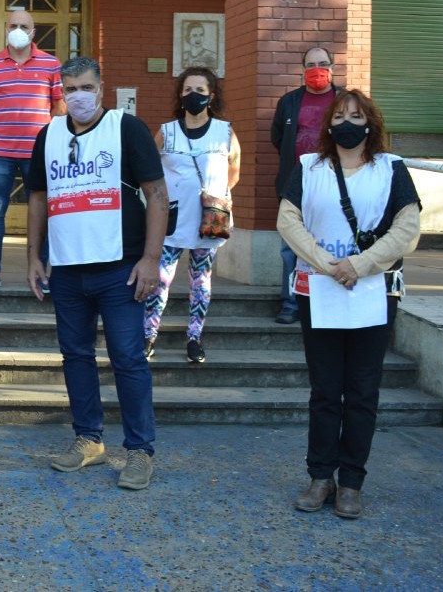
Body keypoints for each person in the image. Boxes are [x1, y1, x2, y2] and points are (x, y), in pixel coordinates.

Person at [25, 57, 167, 491]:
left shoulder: (127, 129)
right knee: (75, 356)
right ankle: (89, 439)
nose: (78, 96)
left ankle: (140, 451)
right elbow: (37, 197)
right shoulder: (48, 135)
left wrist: (151, 258)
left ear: (101, 89)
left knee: (128, 359)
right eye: (70, 89)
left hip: (121, 268)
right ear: (61, 92)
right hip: (67, 269)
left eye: (86, 88)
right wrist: (33, 256)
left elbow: (157, 193)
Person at [277, 90, 420, 519]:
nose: (347, 123)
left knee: (361, 392)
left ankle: (352, 483)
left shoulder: (391, 168)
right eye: (339, 116)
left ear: (370, 123)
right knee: (324, 391)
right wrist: (330, 264)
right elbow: (288, 219)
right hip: (319, 291)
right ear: (328, 124)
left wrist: (359, 264)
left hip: (373, 292)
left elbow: (407, 227)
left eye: (356, 116)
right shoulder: (310, 167)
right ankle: (321, 477)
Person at [142, 67, 242, 363]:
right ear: (180, 94)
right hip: (172, 218)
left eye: (200, 90)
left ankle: (195, 337)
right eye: (187, 90)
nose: (193, 95)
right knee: (160, 278)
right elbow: (150, 170)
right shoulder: (167, 132)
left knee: (201, 280)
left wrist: (217, 197)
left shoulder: (225, 132)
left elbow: (234, 171)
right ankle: (148, 334)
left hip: (209, 220)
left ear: (211, 96)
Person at [0, 9, 63, 291]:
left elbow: (59, 106)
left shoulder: (51, 64)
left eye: (24, 26)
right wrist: (2, 127)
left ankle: (40, 272)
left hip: (38, 153)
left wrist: (44, 135)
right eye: (13, 25)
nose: (18, 30)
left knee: (43, 211)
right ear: (5, 29)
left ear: (33, 32)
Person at [270, 47, 340, 324]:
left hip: (336, 184)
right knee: (291, 247)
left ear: (332, 67)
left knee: (333, 243)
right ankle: (290, 304)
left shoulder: (345, 101)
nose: (316, 69)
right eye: (310, 65)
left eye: (322, 63)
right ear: (303, 69)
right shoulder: (289, 101)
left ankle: (328, 300)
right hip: (296, 184)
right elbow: (278, 138)